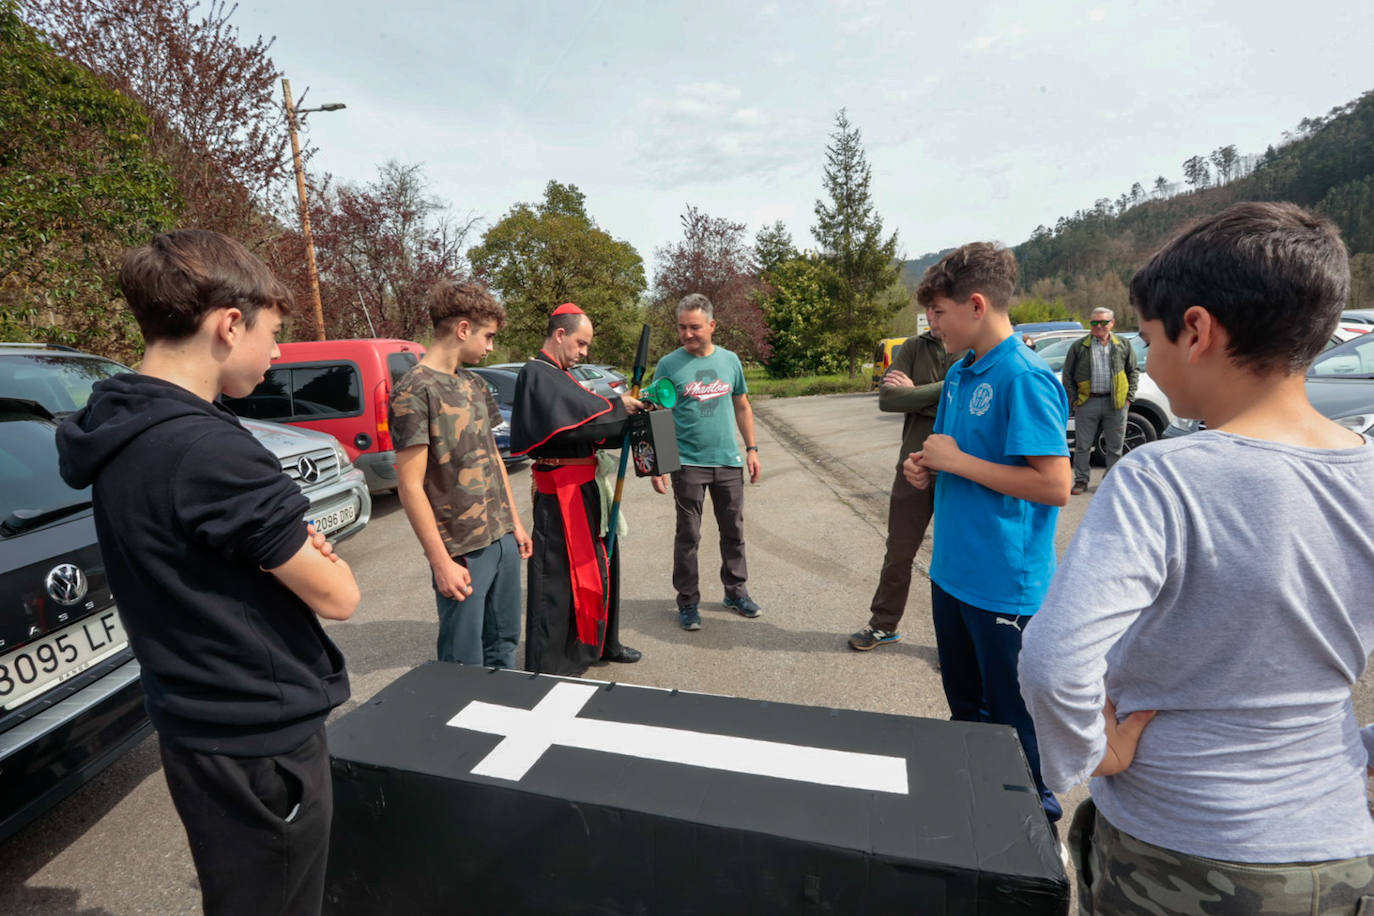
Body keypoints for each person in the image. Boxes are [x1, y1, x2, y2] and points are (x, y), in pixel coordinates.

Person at [1020, 202, 1374, 914]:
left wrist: (1090, 754)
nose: (1146, 359)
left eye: (1148, 339)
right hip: (1342, 849)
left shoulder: (1162, 477)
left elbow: (1055, 662)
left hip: (1181, 848)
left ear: (1197, 330)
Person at [56, 230, 360, 916]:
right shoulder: (211, 447)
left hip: (194, 723)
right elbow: (339, 594)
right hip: (259, 737)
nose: (278, 353)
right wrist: (303, 551)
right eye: (274, 334)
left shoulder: (119, 425)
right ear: (229, 324)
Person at [902, 242, 1071, 826]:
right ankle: (978, 829)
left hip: (1004, 587)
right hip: (951, 574)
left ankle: (1034, 836)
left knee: (1013, 727)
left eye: (939, 315)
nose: (934, 327)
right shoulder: (961, 373)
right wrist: (923, 465)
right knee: (966, 717)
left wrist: (956, 463)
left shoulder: (1023, 376)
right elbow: (948, 453)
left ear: (975, 305)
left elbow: (1055, 485)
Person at [391, 279, 532, 668]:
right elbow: (409, 485)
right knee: (462, 660)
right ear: (463, 329)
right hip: (462, 549)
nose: (489, 347)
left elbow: (494, 458)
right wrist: (440, 562)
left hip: (500, 537)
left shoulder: (475, 384)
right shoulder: (414, 391)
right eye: (487, 336)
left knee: (504, 644)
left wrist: (515, 524)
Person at [510, 303, 644, 675]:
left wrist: (629, 420)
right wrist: (617, 406)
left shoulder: (562, 375)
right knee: (558, 577)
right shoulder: (536, 374)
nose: (585, 352)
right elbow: (572, 415)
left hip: (586, 489)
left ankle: (602, 642)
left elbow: (585, 422)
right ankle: (554, 661)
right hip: (560, 495)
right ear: (560, 335)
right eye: (581, 343)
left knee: (602, 563)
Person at [848, 306, 961, 650]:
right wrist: (945, 391)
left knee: (955, 556)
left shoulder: (972, 349)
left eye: (939, 310)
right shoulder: (913, 346)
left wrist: (916, 395)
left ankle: (956, 644)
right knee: (899, 551)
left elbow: (965, 404)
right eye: (930, 311)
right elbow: (887, 399)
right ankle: (884, 625)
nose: (933, 317)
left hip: (959, 470)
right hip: (912, 466)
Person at [649, 293, 761, 631]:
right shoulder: (668, 365)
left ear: (712, 326)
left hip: (727, 461)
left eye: (694, 327)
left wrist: (752, 449)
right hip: (688, 464)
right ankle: (687, 602)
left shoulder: (730, 361)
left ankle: (736, 592)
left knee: (734, 531)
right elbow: (659, 415)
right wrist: (659, 464)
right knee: (688, 536)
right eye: (682, 327)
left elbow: (742, 405)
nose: (687, 334)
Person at [1060, 307, 1138, 495]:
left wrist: (1129, 398)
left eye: (1103, 322)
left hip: (1116, 403)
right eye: (1095, 322)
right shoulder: (1079, 347)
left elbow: (1133, 371)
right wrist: (1074, 400)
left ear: (1112, 323)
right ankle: (1081, 480)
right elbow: (1068, 375)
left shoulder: (1123, 344)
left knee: (1115, 446)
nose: (1099, 326)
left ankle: (1110, 481)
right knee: (1082, 446)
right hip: (1087, 402)